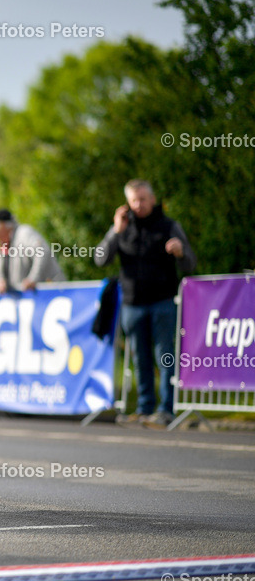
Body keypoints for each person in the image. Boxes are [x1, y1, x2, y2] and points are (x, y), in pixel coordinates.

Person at [95, 180, 196, 428]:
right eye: (134, 201)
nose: (139, 205)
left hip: (162, 302)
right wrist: (116, 232)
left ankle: (166, 410)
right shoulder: (122, 228)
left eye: (143, 199)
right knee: (140, 359)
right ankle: (144, 408)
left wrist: (181, 252)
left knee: (165, 357)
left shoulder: (169, 226)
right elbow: (100, 259)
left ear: (153, 199)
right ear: (127, 203)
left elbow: (190, 264)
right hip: (132, 304)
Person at [0, 209, 65, 293]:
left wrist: (33, 279)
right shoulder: (3, 246)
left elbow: (42, 252)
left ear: (2, 225)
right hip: (30, 298)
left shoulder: (24, 233)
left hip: (52, 292)